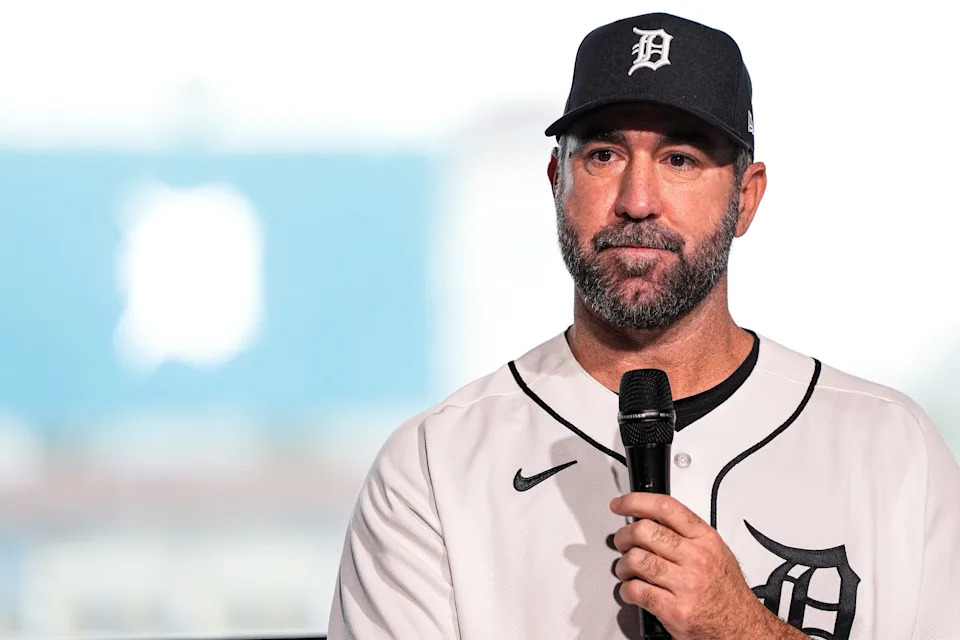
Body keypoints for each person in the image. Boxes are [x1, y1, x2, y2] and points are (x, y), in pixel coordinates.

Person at [327, 13, 960, 640]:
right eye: (603, 155)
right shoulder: (433, 465)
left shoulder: (892, 448)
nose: (636, 201)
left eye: (680, 159)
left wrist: (742, 631)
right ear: (556, 181)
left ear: (746, 198)